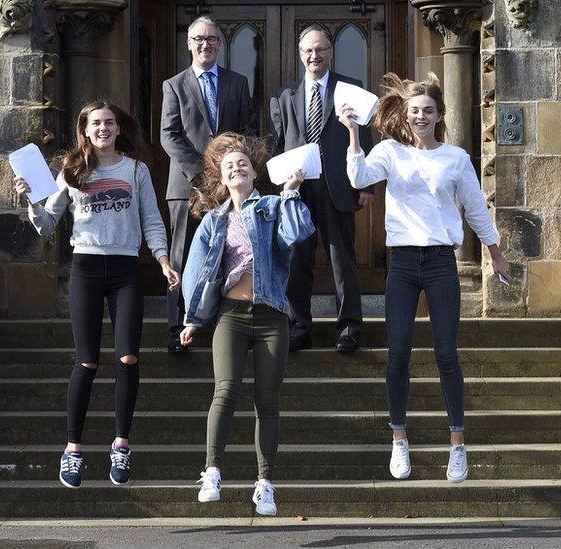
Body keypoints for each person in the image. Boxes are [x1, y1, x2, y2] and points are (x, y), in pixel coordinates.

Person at [338, 73, 511, 484]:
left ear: (439, 116)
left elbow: (475, 209)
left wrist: (496, 254)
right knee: (398, 351)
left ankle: (457, 444)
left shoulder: (455, 158)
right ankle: (399, 438)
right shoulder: (389, 152)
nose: (420, 117)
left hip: (439, 262)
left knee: (446, 352)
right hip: (402, 263)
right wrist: (352, 135)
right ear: (406, 113)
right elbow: (358, 179)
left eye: (427, 111)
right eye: (414, 111)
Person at [14, 100, 180, 489]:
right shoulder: (72, 170)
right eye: (95, 123)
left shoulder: (136, 170)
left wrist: (163, 261)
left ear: (118, 128)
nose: (103, 128)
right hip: (87, 268)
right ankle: (73, 449)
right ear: (85, 130)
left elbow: (152, 219)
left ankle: (121, 444)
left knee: (127, 356)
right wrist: (30, 200)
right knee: (87, 361)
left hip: (125, 271)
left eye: (109, 122)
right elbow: (47, 223)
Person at [179, 133, 315, 516]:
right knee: (225, 390)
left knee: (267, 400)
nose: (236, 168)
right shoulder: (212, 220)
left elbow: (299, 233)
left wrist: (291, 192)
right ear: (221, 178)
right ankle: (212, 471)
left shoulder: (273, 206)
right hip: (231, 316)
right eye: (229, 166)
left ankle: (265, 483)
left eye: (243, 164)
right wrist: (192, 319)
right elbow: (196, 273)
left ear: (255, 172)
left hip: (271, 315)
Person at [269, 24, 374, 354]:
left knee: (341, 259)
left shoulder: (350, 88)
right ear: (300, 55)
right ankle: (299, 326)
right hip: (298, 189)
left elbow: (363, 136)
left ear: (331, 52)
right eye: (308, 50)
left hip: (337, 188)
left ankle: (349, 327)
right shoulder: (284, 97)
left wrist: (366, 184)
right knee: (297, 261)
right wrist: (281, 186)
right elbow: (277, 144)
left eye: (321, 49)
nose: (315, 55)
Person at [161, 16, 258, 354]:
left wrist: (229, 173)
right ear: (189, 43)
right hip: (187, 187)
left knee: (227, 253)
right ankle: (177, 327)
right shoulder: (174, 85)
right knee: (183, 256)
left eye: (212, 39)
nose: (206, 45)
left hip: (228, 189)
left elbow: (247, 129)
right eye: (199, 39)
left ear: (220, 43)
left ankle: (221, 323)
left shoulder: (238, 82)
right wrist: (203, 174)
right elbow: (169, 135)